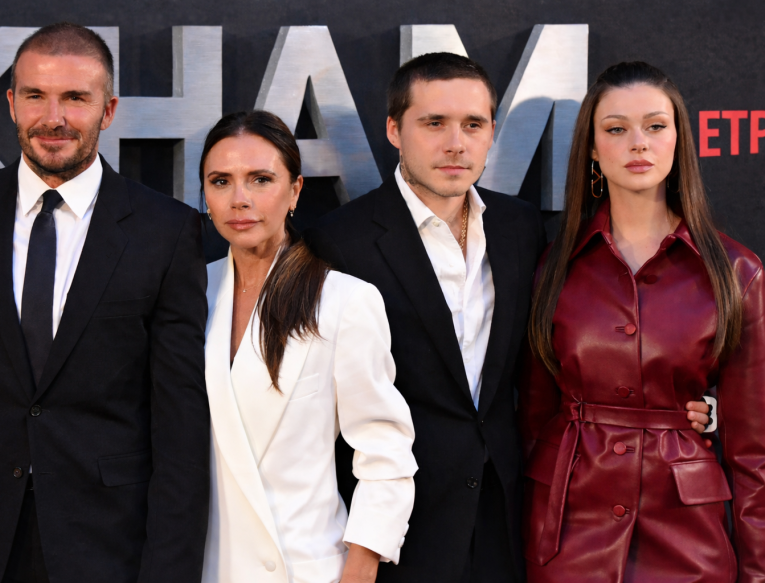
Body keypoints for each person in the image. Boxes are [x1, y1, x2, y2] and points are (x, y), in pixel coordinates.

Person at [305, 52, 713, 583]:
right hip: (394, 531)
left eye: (473, 124)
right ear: (393, 130)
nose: (456, 143)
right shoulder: (338, 242)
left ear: (492, 132)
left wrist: (698, 407)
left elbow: (563, 356)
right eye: (434, 123)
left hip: (505, 522)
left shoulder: (519, 228)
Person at [0, 23, 210, 583]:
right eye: (36, 95)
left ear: (108, 110)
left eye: (75, 98)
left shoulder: (166, 232)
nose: (53, 118)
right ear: (12, 103)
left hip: (107, 544)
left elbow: (180, 426)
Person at [518, 61, 765, 582]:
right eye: (616, 129)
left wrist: (758, 572)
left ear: (678, 139)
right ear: (591, 147)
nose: (638, 143)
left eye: (655, 126)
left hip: (687, 535)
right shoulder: (552, 266)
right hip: (568, 530)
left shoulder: (737, 271)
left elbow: (753, 455)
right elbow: (532, 422)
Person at [199, 111, 417, 583]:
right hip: (204, 565)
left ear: (295, 191)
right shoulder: (190, 294)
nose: (240, 199)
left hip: (304, 568)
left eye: (260, 179)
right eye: (221, 181)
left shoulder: (343, 300)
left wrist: (361, 567)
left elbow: (385, 451)